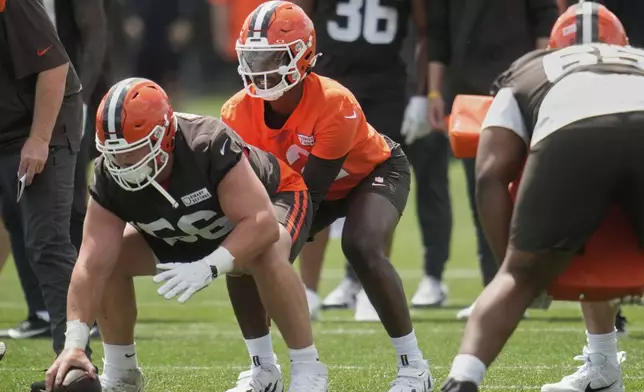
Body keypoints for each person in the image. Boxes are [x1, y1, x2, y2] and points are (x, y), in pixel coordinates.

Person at [43, 78, 329, 392]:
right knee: (112, 259)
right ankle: (122, 372)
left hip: (274, 198)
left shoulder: (205, 144)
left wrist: (210, 265)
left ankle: (307, 368)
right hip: (191, 225)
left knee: (265, 250)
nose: (124, 163)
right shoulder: (109, 174)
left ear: (164, 135)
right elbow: (90, 264)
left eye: (136, 150)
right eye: (116, 152)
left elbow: (259, 222)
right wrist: (74, 344)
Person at [221, 2, 432, 391]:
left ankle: (413, 366)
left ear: (303, 56)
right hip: (303, 184)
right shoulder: (236, 112)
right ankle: (263, 368)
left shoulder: (334, 102)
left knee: (361, 245)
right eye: (254, 57)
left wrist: (275, 242)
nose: (262, 69)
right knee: (244, 256)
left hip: (370, 173)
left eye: (273, 57)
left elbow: (310, 193)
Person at [440, 3, 640, 392]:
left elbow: (489, 173)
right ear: (623, 44)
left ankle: (464, 378)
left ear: (553, 46)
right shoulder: (639, 59)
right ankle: (603, 368)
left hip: (572, 137)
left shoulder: (532, 68)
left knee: (517, 275)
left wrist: (510, 269)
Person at [290, 0, 431, 319]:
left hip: (384, 86)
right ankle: (308, 289)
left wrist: (422, 93)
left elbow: (425, 31)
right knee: (313, 180)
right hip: (326, 82)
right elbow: (297, 18)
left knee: (378, 181)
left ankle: (370, 287)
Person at [421, 0, 559, 316]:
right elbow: (439, 35)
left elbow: (545, 20)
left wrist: (541, 79)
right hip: (470, 92)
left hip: (522, 86)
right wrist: (434, 92)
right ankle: (497, 287)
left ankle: (536, 283)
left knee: (532, 191)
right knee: (482, 192)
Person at [2, 0, 107, 342]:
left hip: (44, 122)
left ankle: (74, 359)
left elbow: (54, 67)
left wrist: (38, 139)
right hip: (6, 123)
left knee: (47, 241)